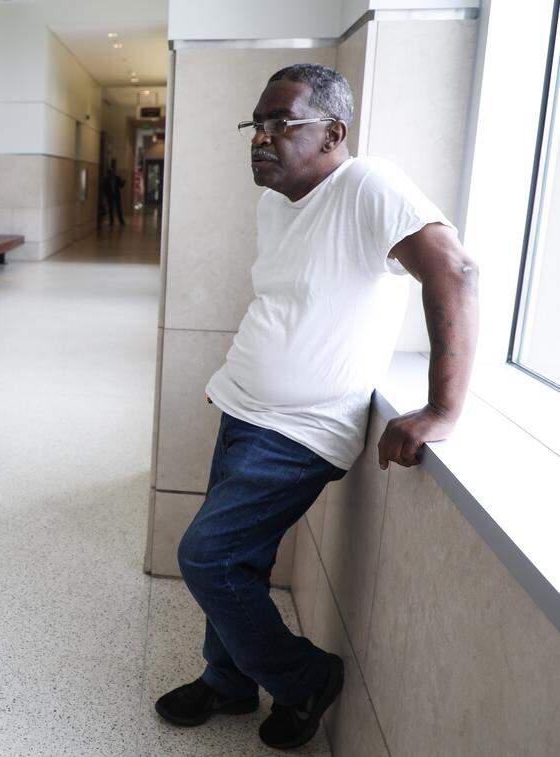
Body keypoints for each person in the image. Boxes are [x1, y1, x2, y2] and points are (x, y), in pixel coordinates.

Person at [154, 63, 479, 750]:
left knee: (207, 557)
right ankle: (230, 680)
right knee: (236, 561)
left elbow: (453, 268)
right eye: (257, 125)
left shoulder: (369, 185)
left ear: (334, 131)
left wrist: (442, 409)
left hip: (299, 431)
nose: (261, 138)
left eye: (281, 124)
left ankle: (305, 677)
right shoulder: (278, 199)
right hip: (243, 408)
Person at [101, 159, 126, 226]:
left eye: (112, 172)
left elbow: (120, 186)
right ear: (109, 173)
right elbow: (104, 188)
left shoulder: (117, 178)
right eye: (110, 172)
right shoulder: (106, 180)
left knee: (119, 209)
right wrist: (105, 196)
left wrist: (123, 182)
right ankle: (111, 221)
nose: (112, 173)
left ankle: (121, 221)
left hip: (116, 196)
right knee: (111, 209)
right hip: (110, 196)